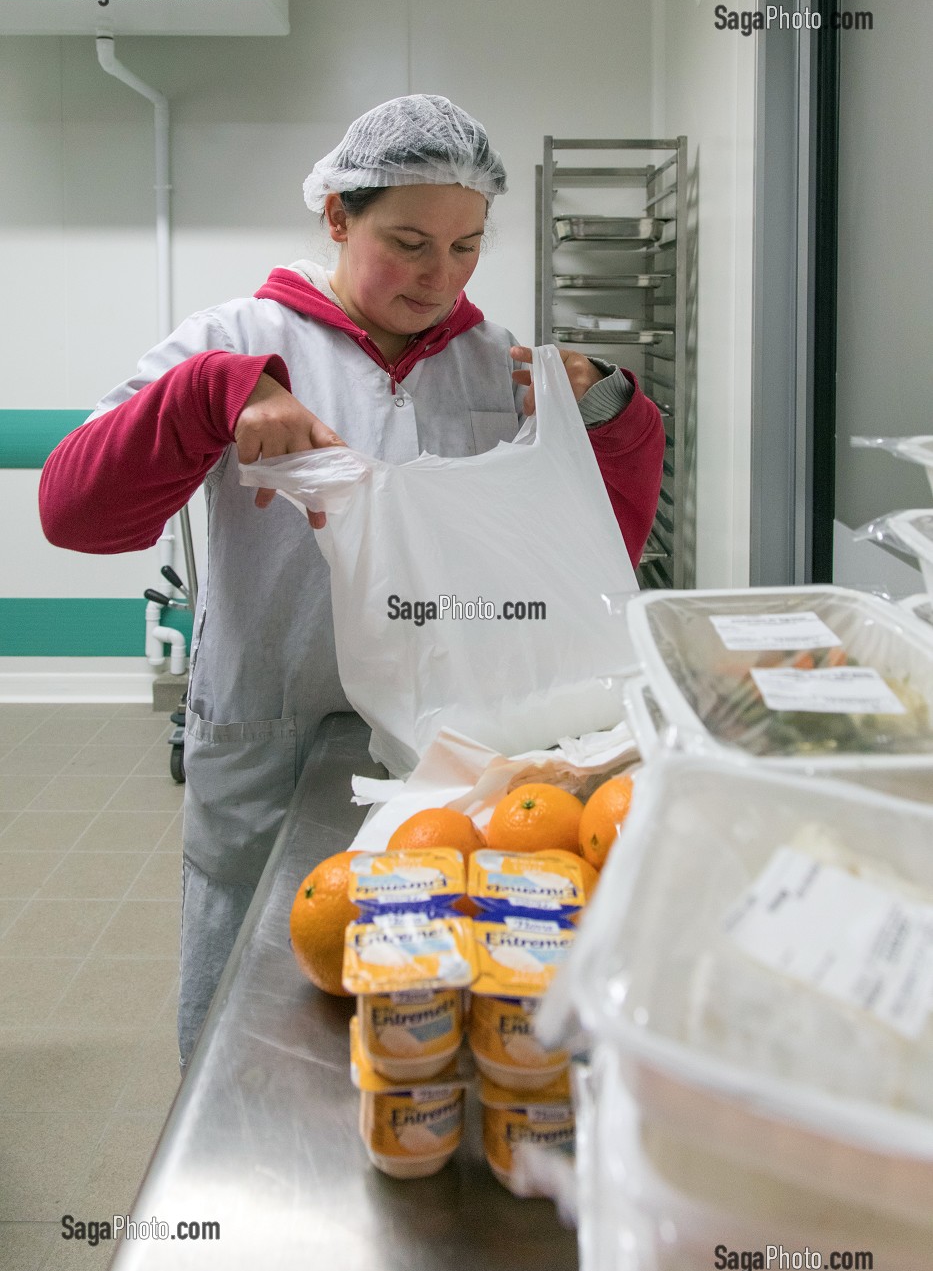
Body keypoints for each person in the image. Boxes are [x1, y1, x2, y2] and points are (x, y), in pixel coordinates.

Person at [39, 95, 664, 1065]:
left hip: (449, 760)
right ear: (337, 215)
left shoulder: (497, 371)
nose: (439, 276)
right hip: (272, 749)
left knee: (423, 1027)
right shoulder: (237, 338)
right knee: (245, 1039)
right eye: (409, 240)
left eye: (466, 247)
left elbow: (591, 556)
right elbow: (73, 509)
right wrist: (212, 396)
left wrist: (616, 418)